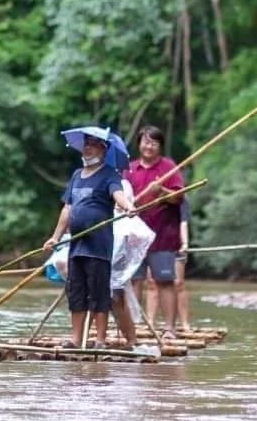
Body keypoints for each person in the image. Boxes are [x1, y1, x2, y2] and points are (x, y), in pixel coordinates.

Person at [42, 128, 140, 350]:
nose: (87, 148)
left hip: (98, 246)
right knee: (76, 292)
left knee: (98, 293)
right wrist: (55, 237)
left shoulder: (110, 174)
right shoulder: (76, 175)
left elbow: (118, 195)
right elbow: (67, 209)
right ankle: (76, 339)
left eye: (93, 144)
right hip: (76, 245)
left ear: (103, 149)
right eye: (86, 143)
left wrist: (128, 206)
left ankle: (100, 340)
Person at [125, 124, 190, 337]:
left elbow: (178, 198)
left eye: (154, 143)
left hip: (163, 236)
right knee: (134, 280)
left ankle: (170, 328)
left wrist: (160, 189)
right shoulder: (129, 169)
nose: (149, 146)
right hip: (134, 236)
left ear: (160, 146)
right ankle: (132, 327)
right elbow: (120, 198)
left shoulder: (169, 168)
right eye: (146, 142)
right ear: (139, 144)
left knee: (164, 281)